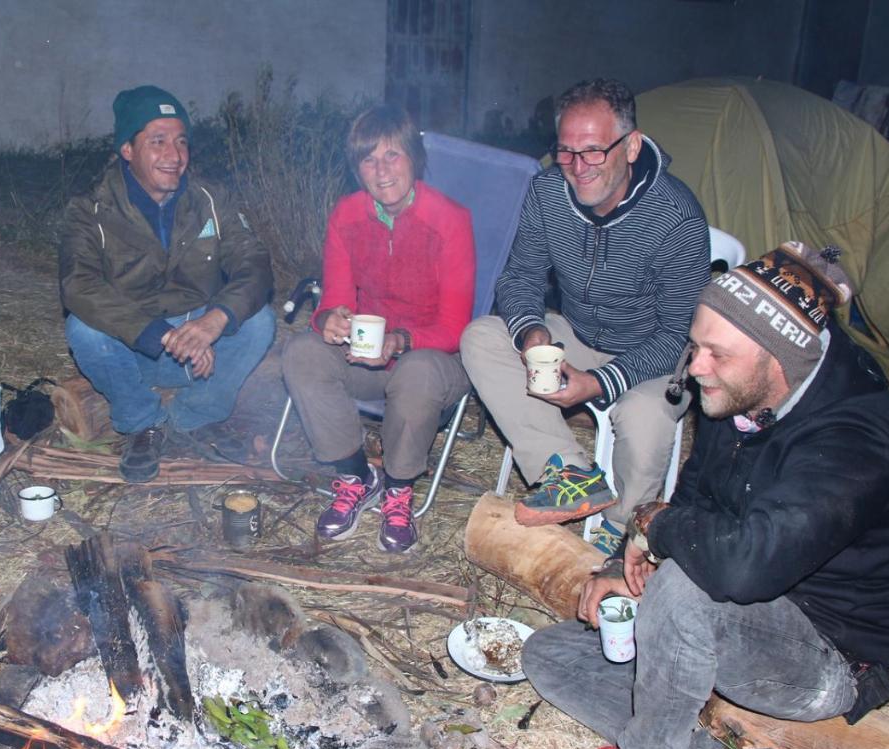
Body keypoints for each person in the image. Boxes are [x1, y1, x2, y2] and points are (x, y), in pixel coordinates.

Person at [519, 243, 889, 749]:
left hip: (828, 652)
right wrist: (623, 558)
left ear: (777, 361)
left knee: (689, 589)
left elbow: (741, 565)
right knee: (549, 654)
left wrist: (656, 528)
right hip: (740, 611)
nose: (696, 367)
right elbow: (700, 497)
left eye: (717, 354)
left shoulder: (852, 437)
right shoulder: (736, 390)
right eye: (696, 344)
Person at [460, 78, 709, 555]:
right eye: (566, 152)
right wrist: (531, 331)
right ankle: (569, 469)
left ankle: (624, 526)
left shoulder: (676, 217)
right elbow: (520, 278)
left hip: (654, 351)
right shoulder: (548, 192)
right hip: (576, 331)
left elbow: (680, 332)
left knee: (646, 414)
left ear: (631, 145)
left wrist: (599, 382)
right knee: (483, 337)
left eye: (593, 151)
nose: (577, 168)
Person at [281, 105, 475, 553]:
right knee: (302, 353)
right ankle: (355, 478)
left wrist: (399, 342)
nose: (382, 170)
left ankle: (398, 490)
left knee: (418, 371)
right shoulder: (347, 215)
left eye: (393, 156)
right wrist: (327, 320)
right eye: (369, 159)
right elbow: (333, 299)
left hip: (435, 358)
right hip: (367, 355)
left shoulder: (450, 220)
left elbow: (455, 326)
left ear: (415, 159)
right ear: (357, 169)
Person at [60, 85, 275, 483]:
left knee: (259, 321)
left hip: (199, 347)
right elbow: (79, 285)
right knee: (84, 328)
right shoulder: (90, 210)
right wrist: (161, 334)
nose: (174, 156)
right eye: (157, 141)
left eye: (180, 142)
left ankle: (193, 419)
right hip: (134, 348)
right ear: (127, 149)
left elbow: (255, 263)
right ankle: (144, 424)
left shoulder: (210, 199)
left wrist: (215, 321)